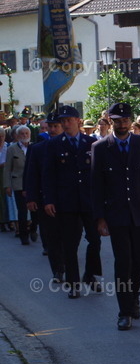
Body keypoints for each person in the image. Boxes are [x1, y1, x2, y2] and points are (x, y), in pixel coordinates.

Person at [91, 103, 140, 331]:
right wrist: (100, 218)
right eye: (118, 120)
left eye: (126, 120)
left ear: (132, 121)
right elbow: (97, 187)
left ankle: (134, 298)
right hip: (116, 214)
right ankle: (124, 311)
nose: (122, 125)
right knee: (123, 262)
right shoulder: (100, 148)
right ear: (110, 121)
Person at [42, 105, 101, 298]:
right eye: (63, 121)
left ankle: (90, 275)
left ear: (78, 121)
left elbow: (99, 175)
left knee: (95, 240)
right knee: (70, 243)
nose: (65, 124)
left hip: (89, 200)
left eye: (69, 120)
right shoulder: (54, 144)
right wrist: (49, 200)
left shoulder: (91, 143)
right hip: (66, 202)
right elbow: (48, 175)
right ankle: (73, 283)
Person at [24, 113, 64, 277]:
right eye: (50, 126)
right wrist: (31, 197)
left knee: (67, 236)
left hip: (66, 198)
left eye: (56, 126)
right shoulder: (37, 148)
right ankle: (57, 270)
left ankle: (67, 263)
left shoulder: (69, 145)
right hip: (44, 198)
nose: (52, 130)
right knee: (51, 236)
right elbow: (30, 173)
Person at [3, 126, 30, 244]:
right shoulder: (12, 149)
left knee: (35, 211)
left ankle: (33, 229)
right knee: (22, 211)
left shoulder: (34, 147)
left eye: (26, 133)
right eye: (22, 134)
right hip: (18, 183)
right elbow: (7, 168)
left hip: (32, 183)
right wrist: (7, 185)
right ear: (17, 136)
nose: (24, 136)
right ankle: (24, 236)